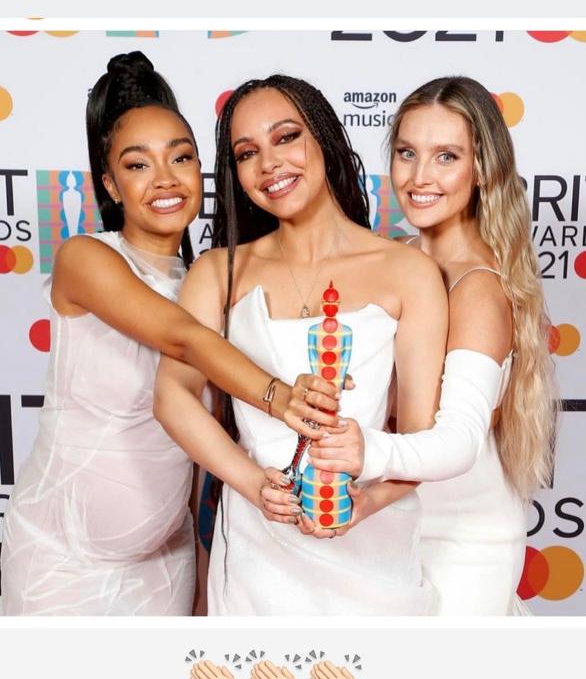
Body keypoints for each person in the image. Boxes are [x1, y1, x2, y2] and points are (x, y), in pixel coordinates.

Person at [0, 54, 338, 616]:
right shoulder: (86, 258)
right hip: (59, 563)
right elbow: (181, 338)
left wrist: (207, 576)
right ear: (109, 183)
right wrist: (282, 397)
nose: (164, 180)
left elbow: (196, 457)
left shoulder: (212, 280)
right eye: (137, 166)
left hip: (166, 563)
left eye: (181, 157)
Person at [155, 74, 450, 615]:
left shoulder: (408, 272)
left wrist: (367, 501)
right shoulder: (218, 272)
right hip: (255, 551)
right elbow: (172, 395)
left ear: (324, 137)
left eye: (286, 137)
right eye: (247, 152)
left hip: (372, 549)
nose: (269, 164)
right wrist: (253, 486)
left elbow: (420, 438)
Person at [306, 76, 558, 615]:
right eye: (407, 153)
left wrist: (365, 459)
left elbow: (459, 441)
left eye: (446, 156)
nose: (420, 178)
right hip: (395, 524)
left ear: (482, 170)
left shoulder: (478, 289)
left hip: (464, 541)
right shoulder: (395, 259)